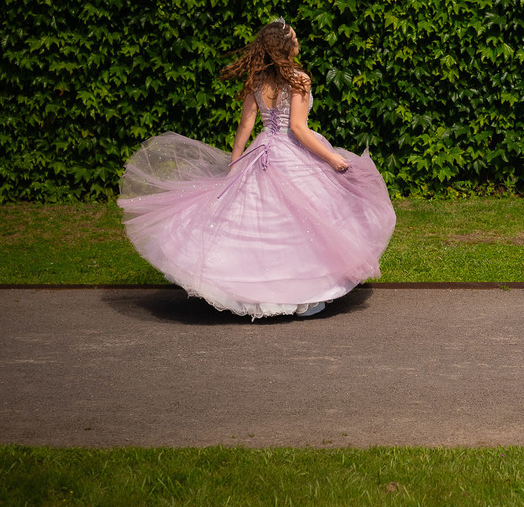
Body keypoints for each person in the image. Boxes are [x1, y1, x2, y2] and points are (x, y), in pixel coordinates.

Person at [118, 18, 396, 319]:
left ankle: (255, 292)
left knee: (260, 220)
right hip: (291, 153)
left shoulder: (257, 80)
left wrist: (235, 165)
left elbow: (246, 126)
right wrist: (331, 158)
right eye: (294, 38)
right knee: (305, 223)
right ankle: (302, 293)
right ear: (286, 46)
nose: (298, 42)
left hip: (262, 149)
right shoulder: (299, 79)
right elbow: (299, 129)